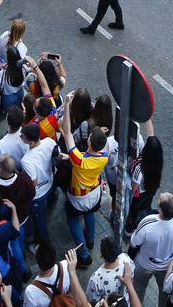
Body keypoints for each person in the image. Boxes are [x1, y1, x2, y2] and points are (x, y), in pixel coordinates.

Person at [60, 93, 109, 266]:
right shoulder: (105, 155)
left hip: (77, 199)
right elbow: (94, 150)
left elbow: (66, 132)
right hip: (95, 194)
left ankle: (84, 255)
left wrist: (66, 105)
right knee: (90, 215)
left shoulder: (79, 160)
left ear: (89, 141)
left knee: (72, 220)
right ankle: (90, 240)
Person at [130, 193, 173, 307]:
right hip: (167, 266)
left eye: (160, 198)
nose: (161, 194)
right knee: (165, 292)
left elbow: (134, 244)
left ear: (160, 210)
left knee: (138, 289)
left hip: (144, 264)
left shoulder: (147, 222)